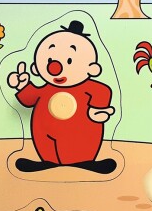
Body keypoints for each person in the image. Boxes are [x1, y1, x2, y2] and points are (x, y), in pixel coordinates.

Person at [7, 20, 116, 174]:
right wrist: (22, 86)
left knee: (78, 144)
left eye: (69, 61)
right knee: (47, 146)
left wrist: (97, 109)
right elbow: (30, 99)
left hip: (81, 133)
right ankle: (48, 162)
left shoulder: (89, 87)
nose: (54, 68)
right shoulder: (47, 89)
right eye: (49, 61)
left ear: (92, 69)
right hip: (45, 133)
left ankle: (84, 162)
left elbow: (102, 91)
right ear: (36, 67)